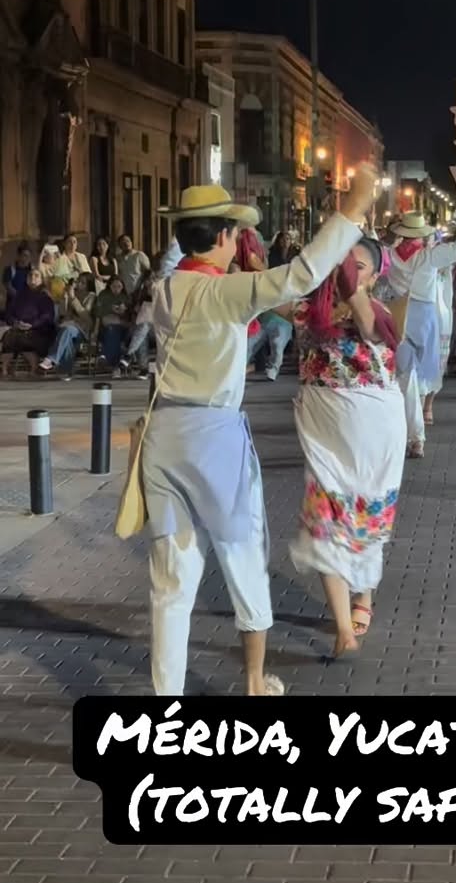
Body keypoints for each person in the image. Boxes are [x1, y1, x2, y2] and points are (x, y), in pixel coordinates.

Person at [143, 167, 376, 698]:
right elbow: (302, 273)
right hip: (214, 436)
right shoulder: (222, 292)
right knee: (244, 554)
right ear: (225, 236)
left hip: (164, 435)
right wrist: (353, 209)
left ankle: (165, 699)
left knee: (171, 578)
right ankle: (253, 680)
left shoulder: (167, 288)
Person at [282, 236, 405, 657]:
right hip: (324, 435)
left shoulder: (378, 313)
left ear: (374, 277)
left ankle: (363, 596)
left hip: (373, 435)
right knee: (324, 522)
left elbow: (367, 324)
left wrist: (351, 287)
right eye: (340, 264)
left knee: (364, 520)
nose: (345, 272)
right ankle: (342, 627)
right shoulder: (310, 312)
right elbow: (265, 295)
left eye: (358, 266)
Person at [384, 194, 456, 456]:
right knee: (415, 378)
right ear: (421, 235)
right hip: (424, 320)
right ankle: (416, 436)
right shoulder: (429, 256)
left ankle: (412, 435)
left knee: (405, 377)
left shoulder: (389, 255)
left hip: (398, 317)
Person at [39, 273, 96, 379]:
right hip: (68, 325)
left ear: (88, 284)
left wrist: (73, 298)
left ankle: (51, 359)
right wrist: (65, 299)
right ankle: (65, 371)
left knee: (67, 330)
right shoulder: (71, 293)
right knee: (67, 336)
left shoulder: (91, 296)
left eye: (83, 282)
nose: (79, 284)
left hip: (82, 329)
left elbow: (85, 315)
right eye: (78, 281)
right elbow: (63, 314)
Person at [1, 268, 55, 377]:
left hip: (39, 332)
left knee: (18, 338)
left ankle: (33, 369)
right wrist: (15, 323)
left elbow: (47, 317)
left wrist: (32, 325)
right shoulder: (19, 296)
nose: (32, 278)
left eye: (36, 275)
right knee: (11, 336)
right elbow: (9, 313)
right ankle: (4, 369)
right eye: (30, 275)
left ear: (42, 280)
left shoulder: (45, 297)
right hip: (18, 329)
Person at [94, 275, 130, 374]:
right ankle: (115, 365)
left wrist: (122, 312)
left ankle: (106, 357)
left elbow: (129, 316)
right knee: (111, 330)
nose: (116, 289)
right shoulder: (103, 295)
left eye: (119, 286)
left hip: (122, 327)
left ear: (123, 287)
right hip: (105, 328)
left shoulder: (125, 297)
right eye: (114, 286)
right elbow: (98, 313)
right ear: (109, 286)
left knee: (113, 330)